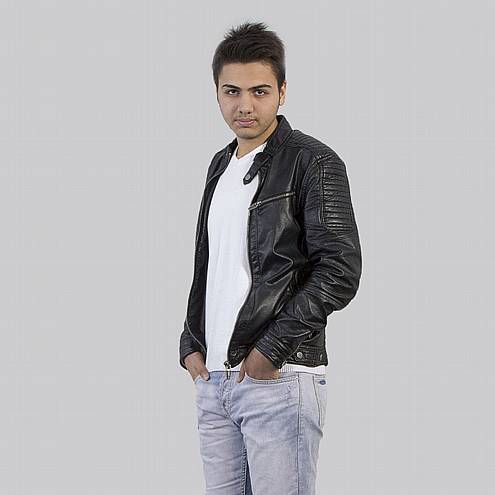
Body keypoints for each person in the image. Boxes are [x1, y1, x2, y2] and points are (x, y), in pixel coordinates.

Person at [178, 21, 362, 494]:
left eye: (259, 91)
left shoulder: (312, 161)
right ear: (217, 94)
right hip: (214, 380)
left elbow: (340, 270)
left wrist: (270, 351)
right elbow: (211, 265)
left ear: (282, 92)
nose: (245, 105)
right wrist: (190, 342)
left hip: (278, 377)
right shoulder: (220, 166)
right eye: (232, 91)